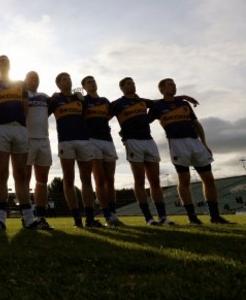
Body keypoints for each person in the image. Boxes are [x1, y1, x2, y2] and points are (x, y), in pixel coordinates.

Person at [148, 78, 232, 225]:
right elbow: (145, 120)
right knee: (184, 179)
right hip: (177, 144)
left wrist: (204, 144)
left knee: (209, 179)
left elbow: (196, 123)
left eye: (174, 84)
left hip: (195, 142)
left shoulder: (184, 104)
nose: (173, 87)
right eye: (170, 85)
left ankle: (215, 217)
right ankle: (192, 217)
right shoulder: (157, 106)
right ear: (161, 89)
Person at [110, 77, 178, 225]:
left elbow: (163, 102)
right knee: (139, 180)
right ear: (122, 87)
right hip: (132, 141)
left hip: (149, 140)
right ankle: (148, 218)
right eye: (128, 83)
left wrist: (182, 97)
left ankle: (163, 217)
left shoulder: (142, 101)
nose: (132, 85)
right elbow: (103, 117)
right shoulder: (117, 104)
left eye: (133, 82)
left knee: (155, 181)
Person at [0, 55, 34, 230]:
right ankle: (1, 219)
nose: (4, 63)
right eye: (0, 61)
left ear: (10, 64)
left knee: (20, 173)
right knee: (2, 173)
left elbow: (25, 108)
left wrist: (19, 123)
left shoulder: (20, 83)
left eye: (6, 60)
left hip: (19, 128)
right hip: (1, 129)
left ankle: (28, 218)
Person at [48, 72, 103, 228]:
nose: (68, 81)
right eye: (64, 79)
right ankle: (77, 219)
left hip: (84, 141)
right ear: (58, 84)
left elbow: (88, 116)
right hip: (65, 141)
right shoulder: (55, 99)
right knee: (69, 179)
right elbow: (42, 114)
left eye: (69, 79)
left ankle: (90, 218)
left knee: (86, 179)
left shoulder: (80, 99)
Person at [81, 75, 124, 227]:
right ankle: (107, 216)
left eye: (93, 81)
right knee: (99, 179)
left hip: (107, 140)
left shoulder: (105, 101)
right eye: (88, 82)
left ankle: (114, 214)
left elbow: (109, 115)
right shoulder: (83, 101)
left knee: (110, 180)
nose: (92, 83)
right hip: (92, 141)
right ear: (84, 87)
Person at [23, 71, 54, 230]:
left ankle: (41, 216)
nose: (34, 80)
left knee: (42, 180)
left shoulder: (45, 96)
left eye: (37, 78)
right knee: (25, 179)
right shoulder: (22, 93)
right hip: (26, 139)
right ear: (25, 80)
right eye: (31, 78)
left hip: (44, 139)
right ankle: (27, 216)